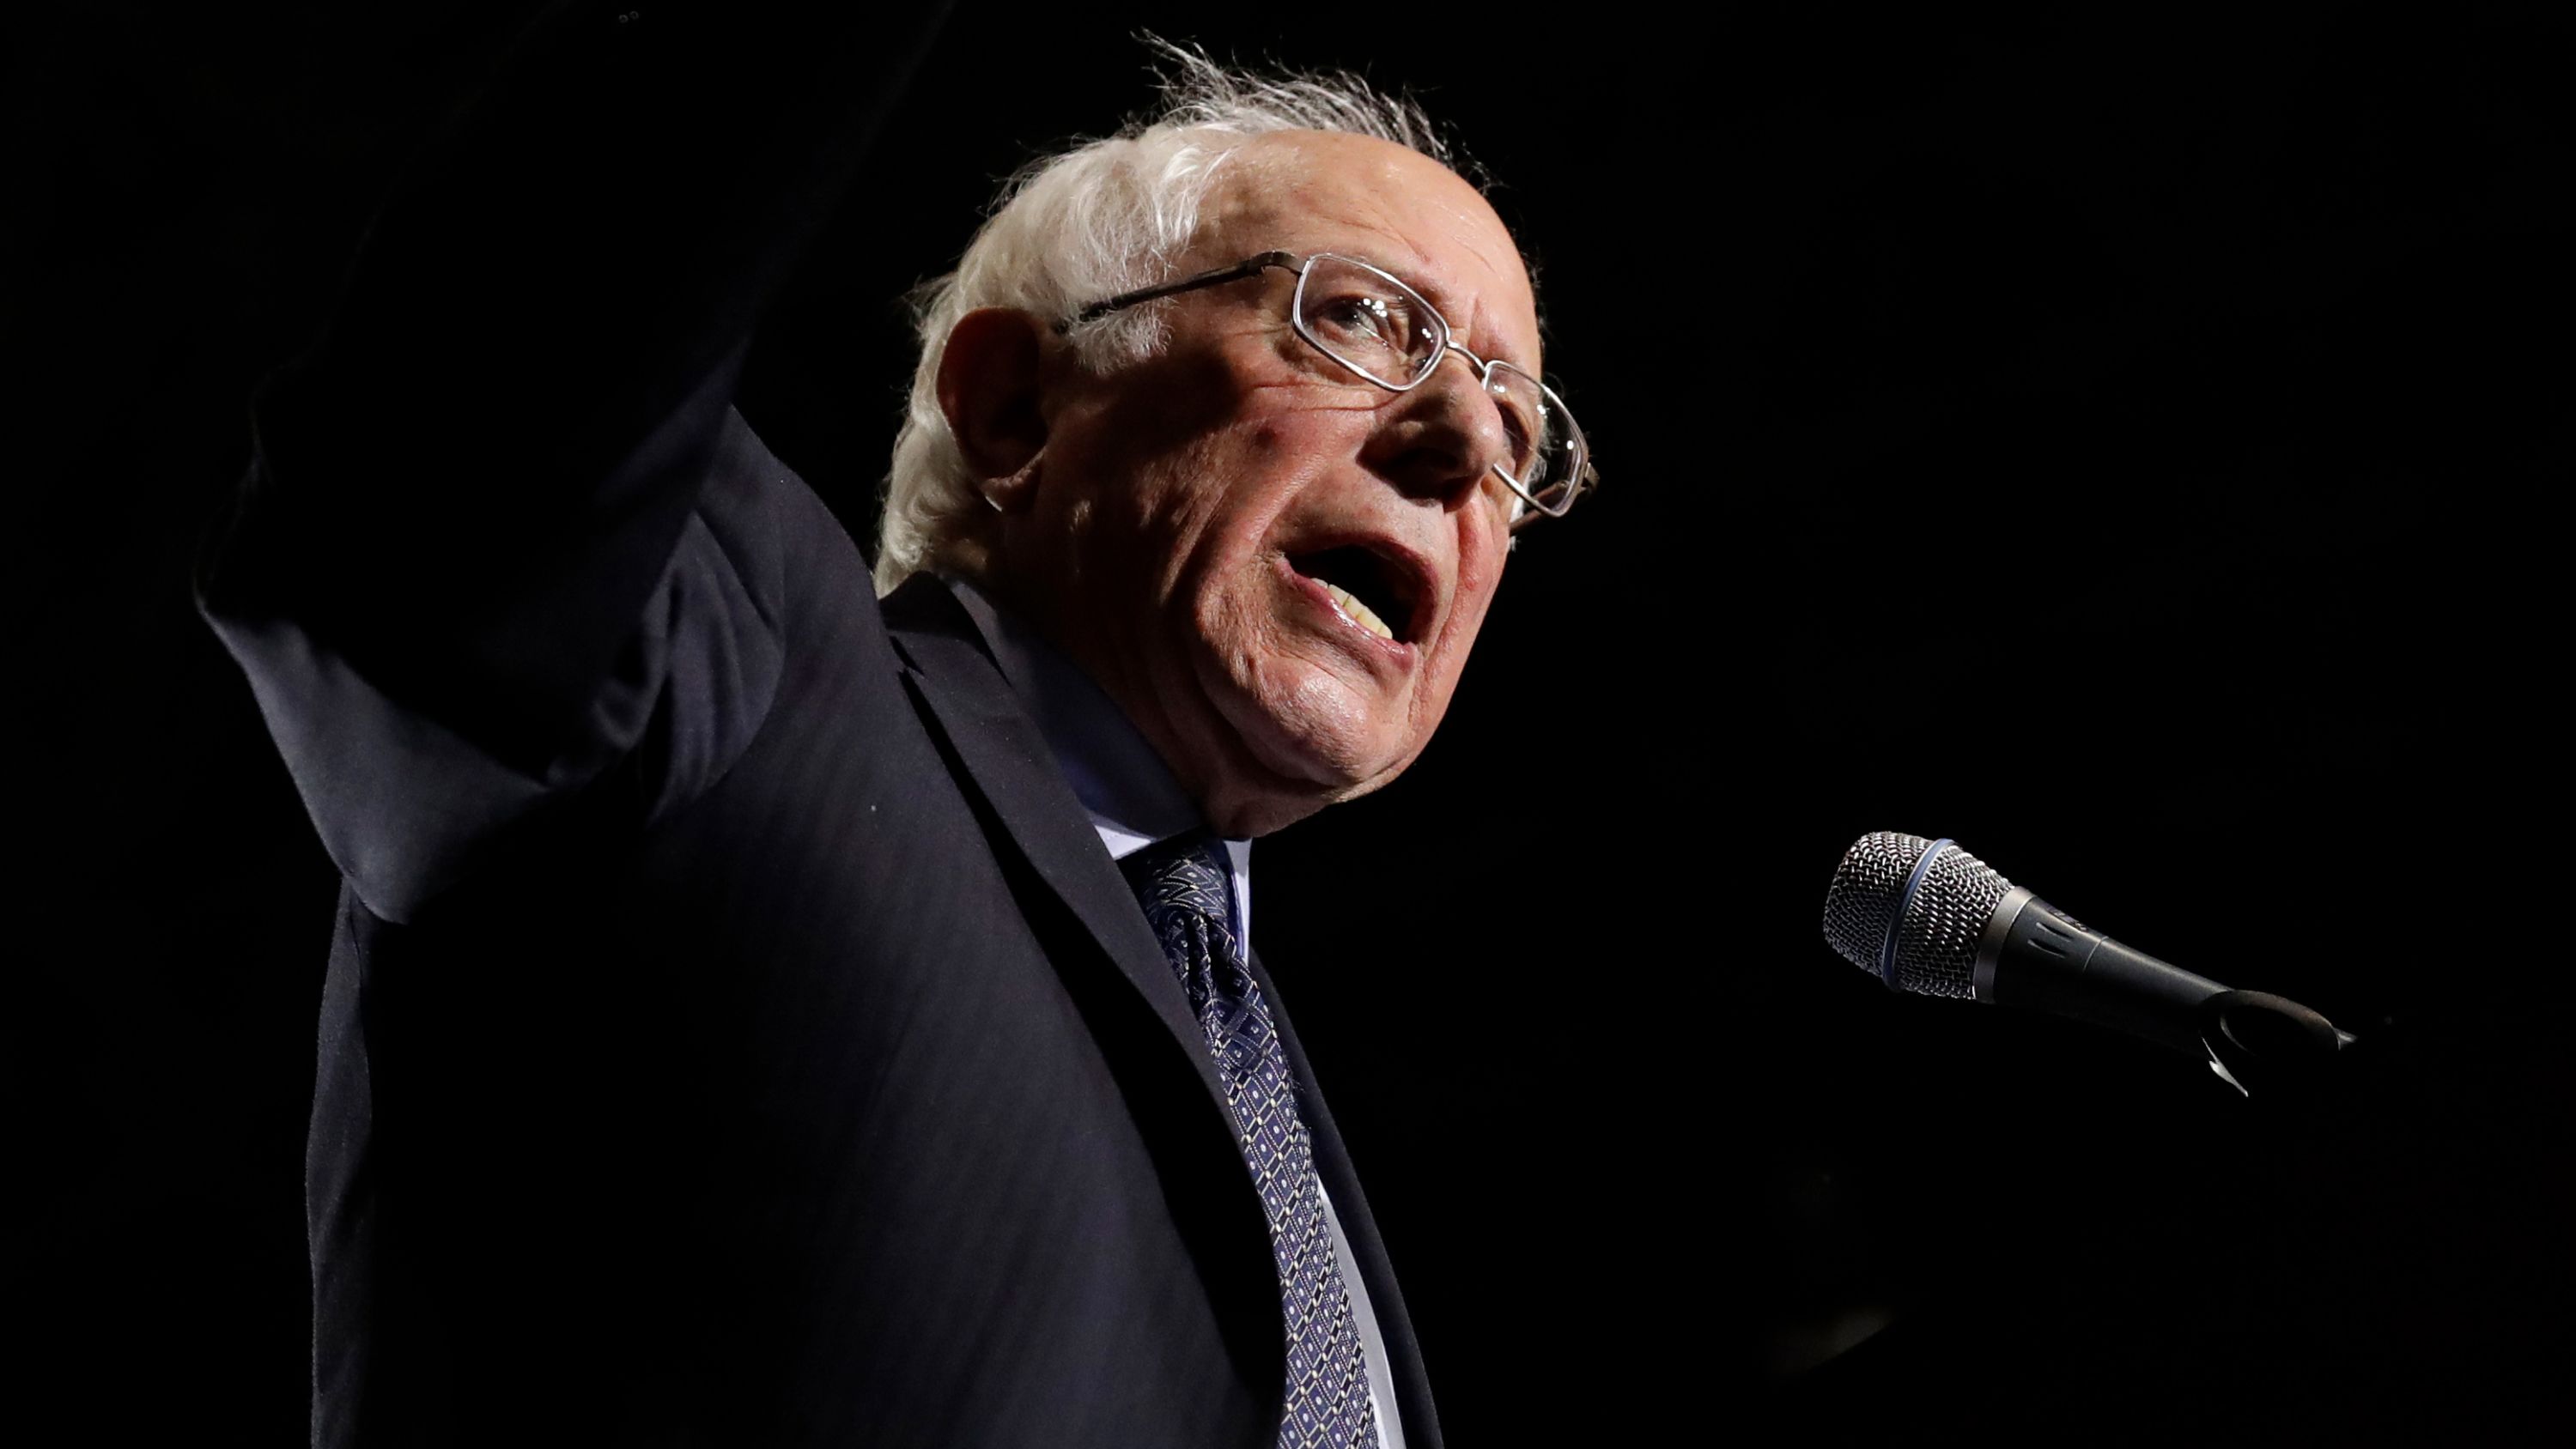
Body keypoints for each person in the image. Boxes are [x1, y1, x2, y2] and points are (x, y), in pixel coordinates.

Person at [197, 5, 1592, 1446]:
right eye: (1363, 318)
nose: (1468, 446)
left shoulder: (1275, 1089)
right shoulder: (741, 674)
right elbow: (442, 459)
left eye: (1520, 425)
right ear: (1010, 407)